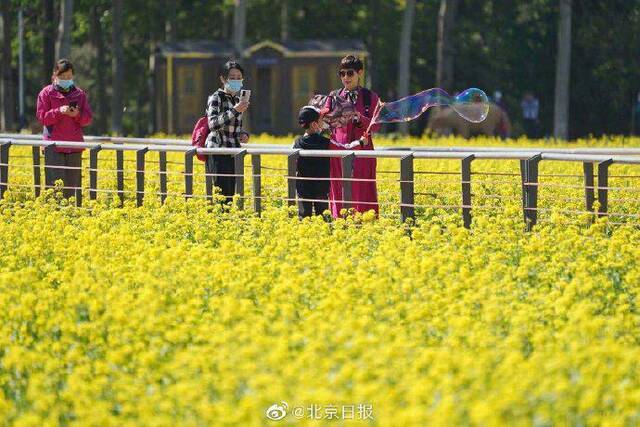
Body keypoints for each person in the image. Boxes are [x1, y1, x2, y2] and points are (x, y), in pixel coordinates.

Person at [324, 55, 381, 217]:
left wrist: (359, 118)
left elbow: (376, 125)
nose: (345, 78)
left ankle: (365, 226)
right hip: (338, 153)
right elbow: (324, 122)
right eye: (342, 74)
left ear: (360, 73)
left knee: (363, 192)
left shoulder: (371, 97)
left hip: (363, 154)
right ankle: (339, 224)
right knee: (338, 191)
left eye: (350, 73)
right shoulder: (333, 96)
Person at [36, 59, 93, 199]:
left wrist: (77, 115)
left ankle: (71, 215)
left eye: (69, 77)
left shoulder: (80, 94)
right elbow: (42, 118)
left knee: (72, 188)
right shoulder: (45, 93)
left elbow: (88, 119)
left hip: (74, 146)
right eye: (62, 77)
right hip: (53, 147)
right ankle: (55, 214)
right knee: (54, 188)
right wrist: (59, 111)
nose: (66, 80)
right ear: (54, 76)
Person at [293, 106, 360, 219]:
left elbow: (294, 164)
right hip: (321, 187)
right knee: (324, 216)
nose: (322, 123)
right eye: (320, 121)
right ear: (314, 124)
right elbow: (345, 149)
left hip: (302, 187)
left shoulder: (296, 143)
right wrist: (361, 142)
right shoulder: (326, 142)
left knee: (304, 216)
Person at [205, 60, 250, 204]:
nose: (236, 80)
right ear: (223, 79)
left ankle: (225, 222)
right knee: (221, 194)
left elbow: (232, 126)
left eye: (239, 77)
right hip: (218, 150)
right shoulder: (216, 97)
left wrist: (243, 134)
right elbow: (212, 124)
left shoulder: (237, 99)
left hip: (233, 151)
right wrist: (235, 110)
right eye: (232, 77)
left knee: (230, 194)